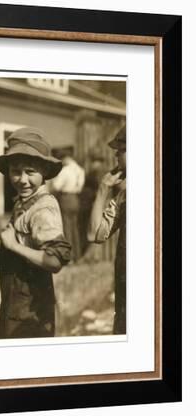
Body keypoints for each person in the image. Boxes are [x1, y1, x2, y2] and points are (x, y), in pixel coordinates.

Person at [0, 127, 71, 339]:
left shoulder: (43, 208)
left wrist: (14, 246)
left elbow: (53, 261)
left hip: (31, 313)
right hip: (17, 304)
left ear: (44, 173)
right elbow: (27, 243)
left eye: (30, 172)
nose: (22, 179)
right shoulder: (24, 201)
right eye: (16, 171)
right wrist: (4, 257)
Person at [86, 125, 127, 334]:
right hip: (126, 290)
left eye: (121, 149)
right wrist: (103, 189)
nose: (115, 154)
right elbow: (94, 234)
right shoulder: (123, 196)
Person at [49, 148, 85, 261]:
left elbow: (56, 186)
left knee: (67, 228)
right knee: (75, 228)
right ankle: (77, 255)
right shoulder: (80, 170)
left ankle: (69, 256)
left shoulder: (65, 171)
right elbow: (80, 187)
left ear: (66, 158)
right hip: (76, 199)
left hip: (66, 198)